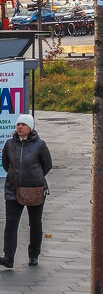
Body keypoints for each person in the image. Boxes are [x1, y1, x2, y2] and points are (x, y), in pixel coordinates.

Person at [1, 114, 52, 267]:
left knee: (35, 223)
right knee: (11, 223)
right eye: (18, 125)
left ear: (31, 127)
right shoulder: (9, 144)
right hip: (13, 189)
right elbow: (6, 164)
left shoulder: (40, 145)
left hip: (35, 190)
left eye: (23, 125)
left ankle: (34, 255)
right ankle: (8, 257)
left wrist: (34, 176)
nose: (20, 127)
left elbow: (47, 165)